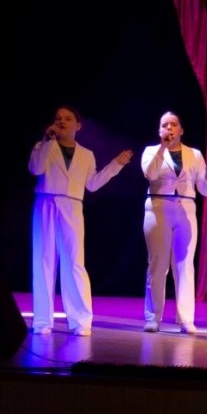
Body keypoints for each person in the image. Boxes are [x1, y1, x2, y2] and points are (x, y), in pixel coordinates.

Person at [29, 105, 133, 336]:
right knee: (44, 260)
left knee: (74, 262)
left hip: (72, 205)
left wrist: (115, 165)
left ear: (78, 125)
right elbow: (35, 169)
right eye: (58, 118)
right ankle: (42, 320)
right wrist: (47, 141)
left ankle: (81, 320)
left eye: (67, 118)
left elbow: (93, 184)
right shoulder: (43, 146)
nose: (62, 121)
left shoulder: (86, 154)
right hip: (46, 203)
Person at [141, 111, 207, 333]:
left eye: (173, 124)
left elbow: (204, 190)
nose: (169, 128)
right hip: (158, 208)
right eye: (164, 125)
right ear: (159, 130)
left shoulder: (194, 154)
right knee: (158, 264)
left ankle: (186, 319)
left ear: (181, 130)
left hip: (185, 208)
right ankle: (153, 316)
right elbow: (150, 174)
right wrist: (162, 147)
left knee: (184, 264)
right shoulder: (151, 151)